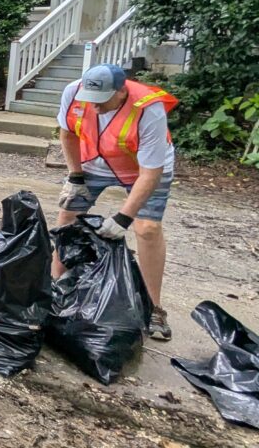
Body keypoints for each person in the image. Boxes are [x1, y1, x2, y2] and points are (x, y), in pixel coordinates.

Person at [56, 63, 177, 340]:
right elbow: (68, 133)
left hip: (140, 168)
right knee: (68, 216)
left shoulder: (149, 108)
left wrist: (123, 218)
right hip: (94, 162)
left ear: (121, 92)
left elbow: (151, 173)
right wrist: (75, 177)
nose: (94, 107)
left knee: (147, 229)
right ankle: (55, 285)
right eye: (90, 100)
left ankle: (153, 308)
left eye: (102, 101)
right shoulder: (74, 92)